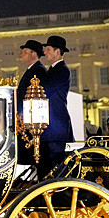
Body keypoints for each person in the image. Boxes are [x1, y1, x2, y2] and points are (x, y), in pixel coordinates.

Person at [38, 35, 74, 176]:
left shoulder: (62, 70)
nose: (45, 53)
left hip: (55, 128)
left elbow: (45, 90)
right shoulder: (52, 70)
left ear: (57, 52)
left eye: (48, 49)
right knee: (45, 168)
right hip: (49, 127)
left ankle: (58, 197)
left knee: (55, 169)